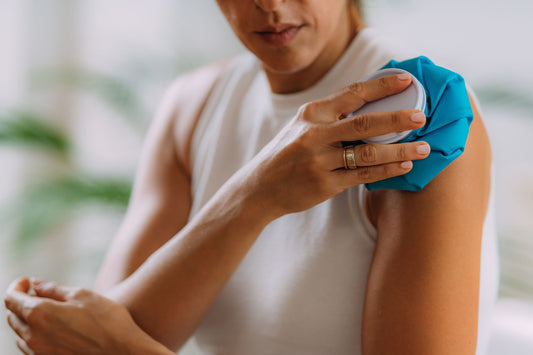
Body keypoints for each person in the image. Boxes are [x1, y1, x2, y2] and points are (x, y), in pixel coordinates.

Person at [4, 0, 498, 354]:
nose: (269, 5)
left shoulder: (419, 116)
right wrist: (255, 192)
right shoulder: (194, 105)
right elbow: (104, 331)